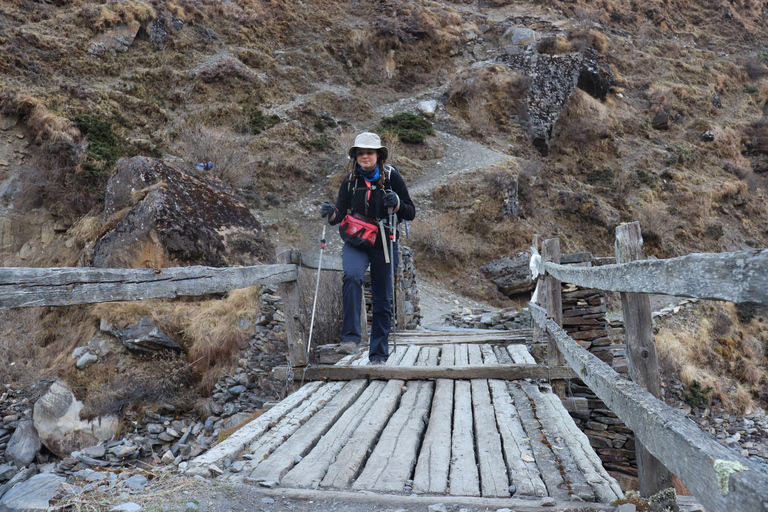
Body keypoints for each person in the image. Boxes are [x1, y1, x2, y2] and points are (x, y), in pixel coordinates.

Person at [320, 132, 416, 365]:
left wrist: (397, 203)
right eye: (360, 153)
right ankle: (350, 340)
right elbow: (339, 214)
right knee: (352, 276)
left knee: (382, 298)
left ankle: (378, 355)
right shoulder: (350, 181)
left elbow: (410, 212)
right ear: (355, 156)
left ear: (378, 155)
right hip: (356, 241)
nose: (364, 156)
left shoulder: (392, 177)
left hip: (384, 242)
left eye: (369, 152)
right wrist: (330, 213)